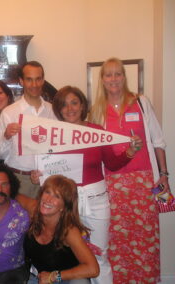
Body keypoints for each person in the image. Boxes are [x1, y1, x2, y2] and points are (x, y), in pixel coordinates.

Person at [29, 86, 141, 284]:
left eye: (74, 102)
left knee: (100, 255)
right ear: (58, 109)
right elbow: (47, 169)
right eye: (64, 105)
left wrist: (130, 152)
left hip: (95, 202)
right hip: (64, 203)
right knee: (68, 253)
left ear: (82, 105)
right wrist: (37, 174)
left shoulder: (96, 132)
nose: (70, 108)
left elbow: (113, 164)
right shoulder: (53, 134)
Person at [89, 57, 170, 283]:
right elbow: (95, 150)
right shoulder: (97, 110)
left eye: (118, 74)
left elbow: (159, 141)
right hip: (112, 184)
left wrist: (164, 175)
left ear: (124, 77)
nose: (113, 79)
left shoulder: (141, 102)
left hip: (144, 182)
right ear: (102, 80)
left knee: (145, 239)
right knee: (117, 239)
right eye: (108, 74)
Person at [0, 61, 56, 198]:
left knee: (46, 219)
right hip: (18, 179)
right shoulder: (9, 112)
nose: (34, 85)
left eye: (38, 79)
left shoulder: (53, 111)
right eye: (29, 79)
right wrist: (6, 136)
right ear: (21, 81)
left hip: (46, 179)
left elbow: (58, 149)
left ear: (43, 80)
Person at [24, 175, 100, 284]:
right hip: (38, 277)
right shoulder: (34, 210)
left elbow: (93, 269)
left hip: (65, 279)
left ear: (64, 206)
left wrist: (53, 277)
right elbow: (12, 194)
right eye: (47, 192)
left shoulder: (69, 230)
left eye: (57, 196)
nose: (48, 199)